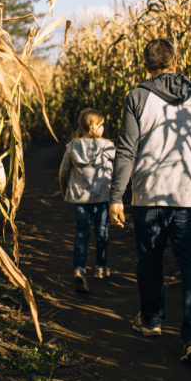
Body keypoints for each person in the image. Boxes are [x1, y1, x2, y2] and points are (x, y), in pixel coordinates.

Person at [108, 38, 191, 366]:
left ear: (146, 64)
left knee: (150, 261)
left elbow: (127, 149)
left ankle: (152, 320)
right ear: (175, 59)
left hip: (150, 195)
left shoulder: (138, 96)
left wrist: (116, 196)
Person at [59, 108, 116, 293]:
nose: (103, 129)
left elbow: (63, 172)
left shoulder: (72, 146)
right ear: (93, 127)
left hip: (80, 199)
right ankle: (100, 267)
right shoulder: (107, 146)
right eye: (101, 125)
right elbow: (120, 167)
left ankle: (79, 269)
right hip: (101, 198)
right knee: (102, 231)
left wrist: (64, 190)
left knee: (82, 234)